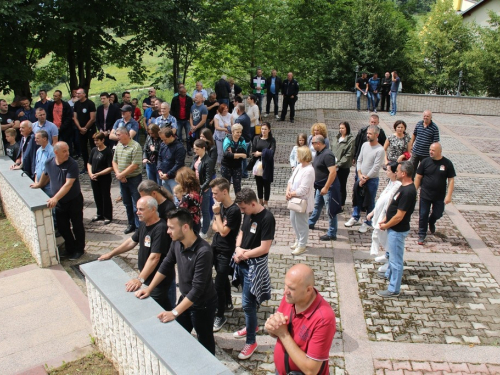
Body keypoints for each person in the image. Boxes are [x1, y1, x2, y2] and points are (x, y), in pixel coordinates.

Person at [136, 209, 218, 354]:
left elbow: (197, 289)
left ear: (185, 227)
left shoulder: (203, 251)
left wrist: (174, 312)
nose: (168, 231)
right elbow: (166, 264)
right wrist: (149, 288)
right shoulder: (177, 243)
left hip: (202, 306)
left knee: (205, 341)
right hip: (185, 299)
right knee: (178, 333)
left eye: (171, 228)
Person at [99, 196, 174, 310]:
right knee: (163, 308)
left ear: (153, 209)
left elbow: (155, 258)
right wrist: (111, 254)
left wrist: (139, 280)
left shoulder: (161, 228)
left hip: (158, 281)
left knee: (156, 309)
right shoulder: (144, 223)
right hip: (148, 277)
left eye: (141, 209)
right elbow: (132, 241)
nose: (137, 212)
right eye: (137, 208)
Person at [265, 264, 336, 375]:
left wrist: (283, 334)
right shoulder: (290, 298)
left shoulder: (324, 319)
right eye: (285, 285)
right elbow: (277, 330)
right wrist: (271, 327)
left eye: (291, 288)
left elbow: (311, 370)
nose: (285, 292)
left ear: (308, 290)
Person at [232, 188, 275, 360]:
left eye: (244, 209)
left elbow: (264, 248)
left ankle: (251, 341)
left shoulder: (267, 218)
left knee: (247, 303)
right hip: (243, 261)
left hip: (254, 265)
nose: (242, 212)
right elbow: (242, 232)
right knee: (249, 298)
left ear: (253, 203)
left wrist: (243, 254)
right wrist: (237, 248)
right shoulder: (247, 213)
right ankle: (253, 326)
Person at [30, 142, 85, 260]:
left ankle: (79, 249)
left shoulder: (72, 164)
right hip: (60, 203)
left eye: (68, 150)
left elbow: (68, 184)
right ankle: (70, 248)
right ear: (56, 152)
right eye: (64, 151)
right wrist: (39, 184)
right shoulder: (49, 162)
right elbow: (46, 174)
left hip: (73, 200)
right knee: (62, 227)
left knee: (77, 226)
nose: (68, 153)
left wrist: (55, 198)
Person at [377, 161, 417, 298]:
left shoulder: (408, 192)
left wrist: (386, 225)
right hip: (393, 228)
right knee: (392, 256)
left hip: (397, 230)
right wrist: (386, 219)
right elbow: (393, 206)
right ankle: (389, 275)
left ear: (404, 173)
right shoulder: (403, 187)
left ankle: (394, 289)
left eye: (398, 171)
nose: (396, 172)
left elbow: (399, 216)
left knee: (395, 261)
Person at [210, 177, 241, 331]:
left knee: (218, 284)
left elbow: (222, 231)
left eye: (215, 193)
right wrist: (218, 224)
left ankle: (219, 315)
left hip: (225, 251)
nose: (213, 196)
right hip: (215, 247)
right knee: (220, 280)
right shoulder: (220, 206)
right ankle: (228, 302)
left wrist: (217, 216)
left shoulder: (233, 210)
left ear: (224, 192)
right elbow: (213, 226)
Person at [346, 125, 385, 233]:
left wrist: (366, 177)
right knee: (357, 197)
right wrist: (359, 174)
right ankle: (355, 217)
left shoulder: (380, 150)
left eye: (370, 134)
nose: (367, 135)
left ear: (376, 135)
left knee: (370, 201)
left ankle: (368, 222)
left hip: (371, 180)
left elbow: (376, 167)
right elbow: (359, 160)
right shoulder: (364, 145)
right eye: (367, 133)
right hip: (361, 177)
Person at [414, 143, 455, 245]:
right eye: (430, 150)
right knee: (423, 214)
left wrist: (449, 195)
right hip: (425, 194)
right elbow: (418, 177)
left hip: (439, 196)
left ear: (439, 151)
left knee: (438, 213)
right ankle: (422, 234)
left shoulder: (447, 163)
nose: (430, 152)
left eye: (433, 150)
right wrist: (414, 191)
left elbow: (451, 180)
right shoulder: (425, 162)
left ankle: (431, 221)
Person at [367, 162, 401, 269]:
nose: (386, 172)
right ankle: (387, 255)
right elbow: (382, 199)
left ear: (395, 173)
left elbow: (390, 202)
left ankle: (391, 260)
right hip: (380, 214)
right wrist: (373, 212)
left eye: (388, 170)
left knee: (386, 238)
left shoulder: (398, 186)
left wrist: (385, 218)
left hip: (387, 217)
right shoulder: (390, 182)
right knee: (382, 237)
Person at [308, 135, 339, 241]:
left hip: (327, 188)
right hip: (319, 187)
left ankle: (332, 233)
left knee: (330, 211)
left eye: (312, 143)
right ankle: (311, 222)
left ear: (318, 143)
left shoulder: (327, 155)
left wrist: (326, 187)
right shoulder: (319, 153)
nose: (311, 145)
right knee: (317, 206)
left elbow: (333, 172)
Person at [112, 126, 143, 234]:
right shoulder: (119, 145)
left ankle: (139, 227)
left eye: (118, 134)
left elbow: (135, 165)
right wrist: (119, 174)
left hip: (134, 179)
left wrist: (122, 174)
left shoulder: (135, 146)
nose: (117, 137)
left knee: (136, 204)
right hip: (122, 179)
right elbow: (114, 161)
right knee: (127, 203)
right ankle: (131, 224)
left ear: (126, 134)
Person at [286, 146, 315, 255]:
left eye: (298, 155)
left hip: (302, 201)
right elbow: (291, 180)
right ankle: (298, 239)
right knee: (293, 220)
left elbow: (303, 189)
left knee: (302, 223)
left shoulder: (309, 170)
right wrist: (288, 190)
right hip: (293, 199)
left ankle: (302, 245)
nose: (296, 157)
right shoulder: (299, 166)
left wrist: (291, 193)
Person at [87, 132, 113, 225]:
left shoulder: (107, 152)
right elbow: (89, 163)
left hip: (104, 178)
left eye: (97, 140)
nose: (95, 142)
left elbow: (110, 167)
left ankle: (107, 215)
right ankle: (99, 214)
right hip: (94, 178)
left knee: (105, 196)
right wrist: (91, 174)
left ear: (103, 140)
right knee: (97, 196)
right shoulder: (94, 150)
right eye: (94, 140)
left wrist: (98, 174)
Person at [192, 139, 215, 238]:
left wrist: (201, 189)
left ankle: (205, 231)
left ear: (203, 148)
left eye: (197, 149)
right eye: (194, 149)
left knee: (205, 210)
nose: (195, 151)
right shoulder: (196, 158)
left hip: (203, 189)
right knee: (198, 209)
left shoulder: (208, 161)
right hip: (196, 188)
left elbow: (208, 179)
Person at [249, 122, 275, 207]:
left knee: (267, 184)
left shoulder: (271, 140)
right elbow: (253, 151)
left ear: (269, 130)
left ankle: (266, 202)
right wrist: (261, 153)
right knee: (259, 184)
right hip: (258, 165)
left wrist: (260, 153)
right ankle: (260, 201)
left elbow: (271, 153)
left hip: (267, 165)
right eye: (262, 129)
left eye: (265, 129)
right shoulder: (256, 138)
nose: (263, 131)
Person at [73, 88, 96, 173]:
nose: (77, 95)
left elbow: (92, 118)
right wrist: (80, 128)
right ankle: (86, 166)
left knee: (93, 147)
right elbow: (74, 117)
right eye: (77, 94)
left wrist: (85, 128)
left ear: (84, 94)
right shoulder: (76, 104)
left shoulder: (90, 104)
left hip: (90, 129)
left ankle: (94, 165)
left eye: (79, 93)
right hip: (80, 130)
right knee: (83, 148)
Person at [332, 121, 354, 208]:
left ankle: (341, 204)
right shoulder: (336, 137)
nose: (341, 130)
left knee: (341, 185)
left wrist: (338, 164)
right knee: (333, 185)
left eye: (343, 128)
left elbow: (348, 154)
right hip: (334, 165)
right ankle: (334, 201)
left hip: (343, 167)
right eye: (340, 128)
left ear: (347, 129)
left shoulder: (351, 139)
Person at [410, 110, 440, 174]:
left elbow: (435, 142)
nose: (425, 117)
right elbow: (414, 134)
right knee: (412, 169)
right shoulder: (419, 124)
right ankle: (411, 182)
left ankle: (422, 183)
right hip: (416, 152)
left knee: (425, 170)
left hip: (426, 154)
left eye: (427, 116)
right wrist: (411, 144)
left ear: (431, 117)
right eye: (424, 116)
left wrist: (433, 152)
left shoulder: (434, 128)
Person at [158, 127, 186, 195]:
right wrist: (159, 170)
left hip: (174, 178)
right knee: (168, 197)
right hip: (164, 176)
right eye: (162, 140)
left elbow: (179, 164)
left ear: (171, 136)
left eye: (165, 140)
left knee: (177, 198)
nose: (163, 142)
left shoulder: (179, 148)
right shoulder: (163, 144)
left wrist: (168, 174)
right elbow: (159, 158)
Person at [221, 124, 247, 194]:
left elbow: (245, 155)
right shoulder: (227, 139)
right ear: (232, 132)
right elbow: (226, 154)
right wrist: (239, 154)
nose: (239, 134)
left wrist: (233, 154)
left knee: (237, 186)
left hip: (237, 166)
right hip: (227, 166)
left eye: (240, 132)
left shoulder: (242, 140)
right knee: (225, 186)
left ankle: (239, 203)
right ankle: (225, 203)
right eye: (237, 132)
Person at [175, 167, 202, 234]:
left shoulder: (187, 197)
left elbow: (179, 212)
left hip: (189, 225)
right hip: (197, 222)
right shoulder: (198, 190)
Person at [170, 87, 193, 153]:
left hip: (187, 119)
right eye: (183, 92)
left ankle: (189, 150)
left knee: (188, 135)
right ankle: (180, 149)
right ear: (179, 92)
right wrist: (174, 118)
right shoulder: (175, 99)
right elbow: (172, 109)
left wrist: (190, 118)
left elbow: (191, 109)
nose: (185, 93)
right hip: (178, 119)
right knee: (178, 136)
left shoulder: (189, 99)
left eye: (185, 92)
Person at [33, 130, 55, 197]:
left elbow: (51, 172)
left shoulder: (52, 152)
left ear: (44, 139)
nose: (35, 140)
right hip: (39, 185)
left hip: (48, 188)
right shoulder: (38, 151)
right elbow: (37, 168)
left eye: (37, 138)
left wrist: (41, 184)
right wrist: (36, 182)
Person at [234, 103, 252, 178]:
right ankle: (244, 173)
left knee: (241, 158)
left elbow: (235, 130)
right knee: (244, 158)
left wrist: (228, 128)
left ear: (238, 110)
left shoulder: (239, 119)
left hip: (242, 141)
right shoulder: (247, 117)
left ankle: (243, 173)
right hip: (248, 140)